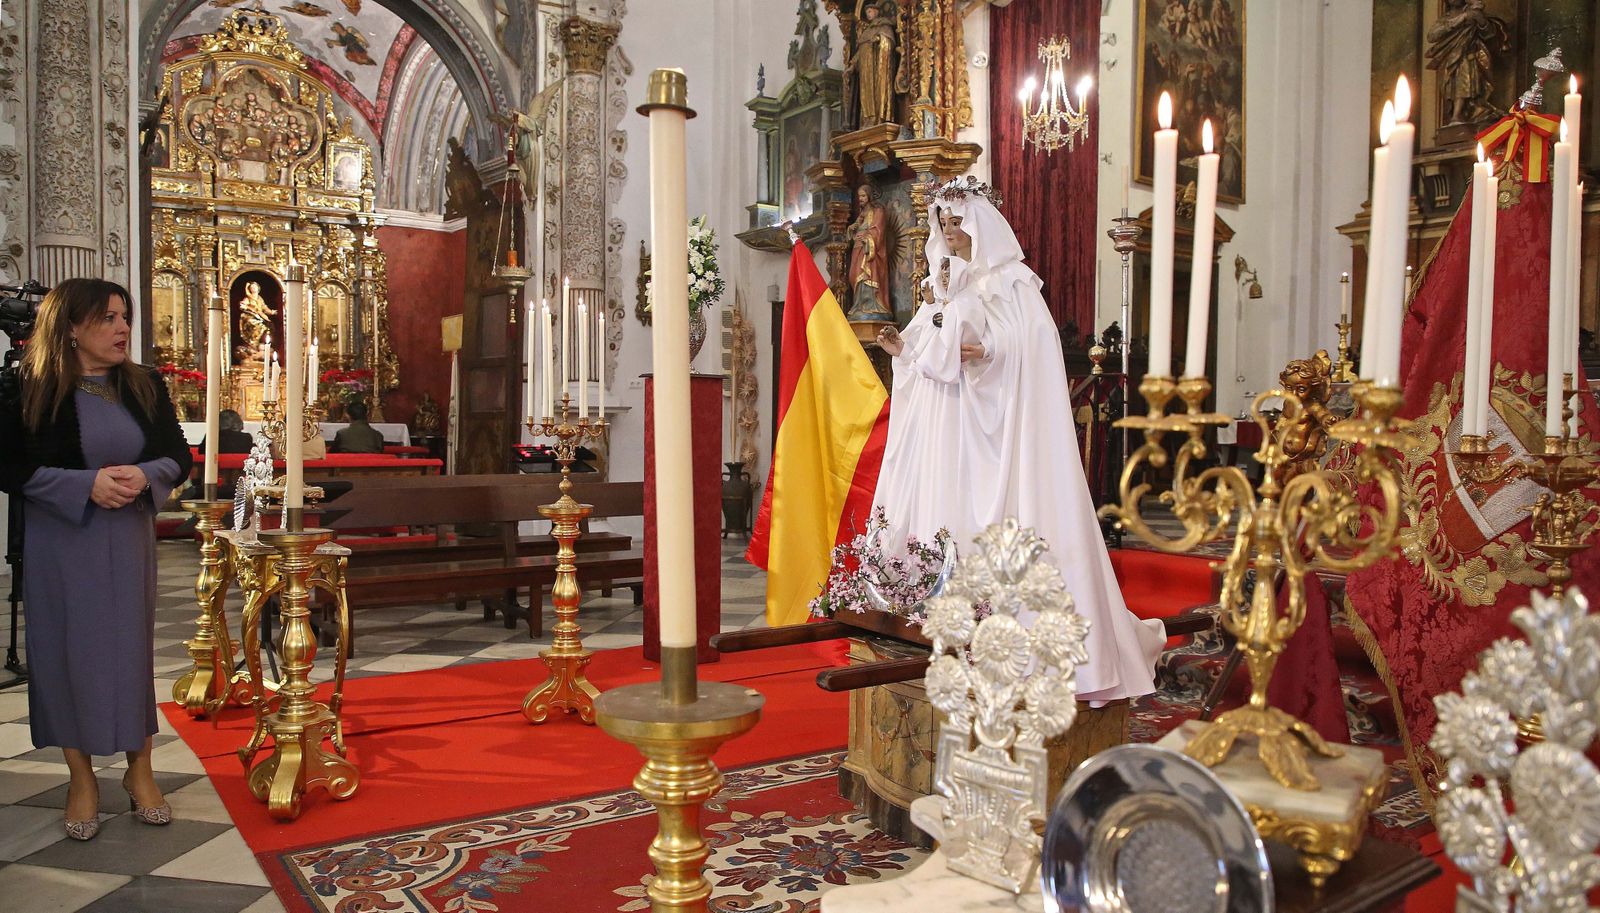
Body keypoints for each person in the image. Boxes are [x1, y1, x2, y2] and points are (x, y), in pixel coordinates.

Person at [875, 176, 1164, 704]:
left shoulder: (1012, 283)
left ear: (981, 225)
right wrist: (904, 350)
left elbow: (1024, 345)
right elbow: (926, 346)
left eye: (958, 222)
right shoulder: (947, 288)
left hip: (1001, 426)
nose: (950, 231)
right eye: (944, 223)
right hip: (952, 427)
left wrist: (985, 353)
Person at [0, 278, 193, 840]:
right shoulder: (24, 388)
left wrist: (147, 474)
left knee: (128, 652)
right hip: (62, 540)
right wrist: (82, 485)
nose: (122, 328)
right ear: (70, 326)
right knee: (67, 652)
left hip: (128, 537)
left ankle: (141, 772)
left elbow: (176, 455)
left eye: (124, 316)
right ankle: (80, 778)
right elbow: (8, 466)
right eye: (108, 318)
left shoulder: (145, 384)